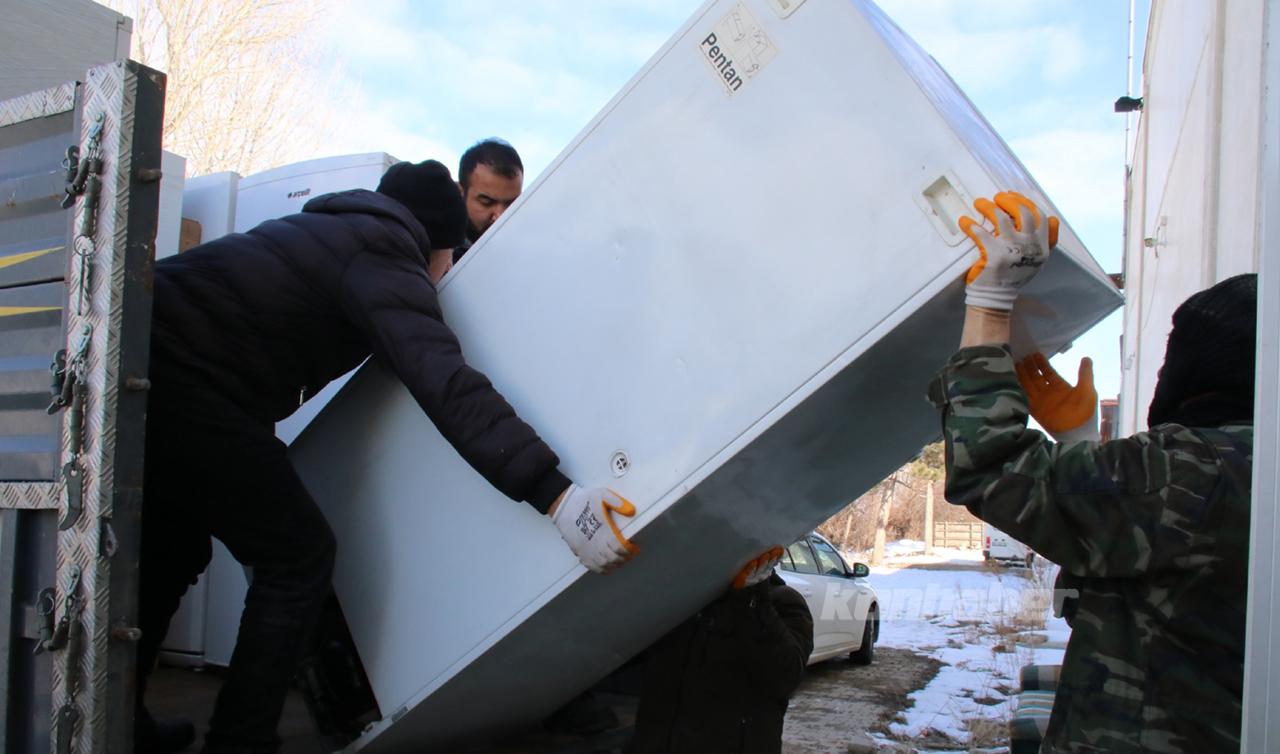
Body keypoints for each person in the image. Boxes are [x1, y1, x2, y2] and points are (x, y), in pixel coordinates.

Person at [135, 160, 638, 754]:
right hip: (188, 384)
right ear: (437, 244)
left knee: (174, 547)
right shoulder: (384, 254)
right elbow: (443, 381)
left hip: (136, 361)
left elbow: (244, 336)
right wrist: (557, 496)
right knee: (297, 556)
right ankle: (240, 743)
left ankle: (123, 714)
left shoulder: (327, 229)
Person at [928, 190, 1254, 752]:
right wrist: (1081, 444)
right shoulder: (1248, 472)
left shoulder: (1202, 469)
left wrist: (991, 302)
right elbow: (1107, 587)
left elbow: (993, 467)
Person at [628, 547, 814, 754]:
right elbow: (622, 661)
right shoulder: (676, 595)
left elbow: (785, 677)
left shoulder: (782, 601)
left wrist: (751, 597)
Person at [454, 138, 524, 261]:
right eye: (486, 202)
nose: (500, 216)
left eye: (511, 204)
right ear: (461, 193)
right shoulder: (433, 252)